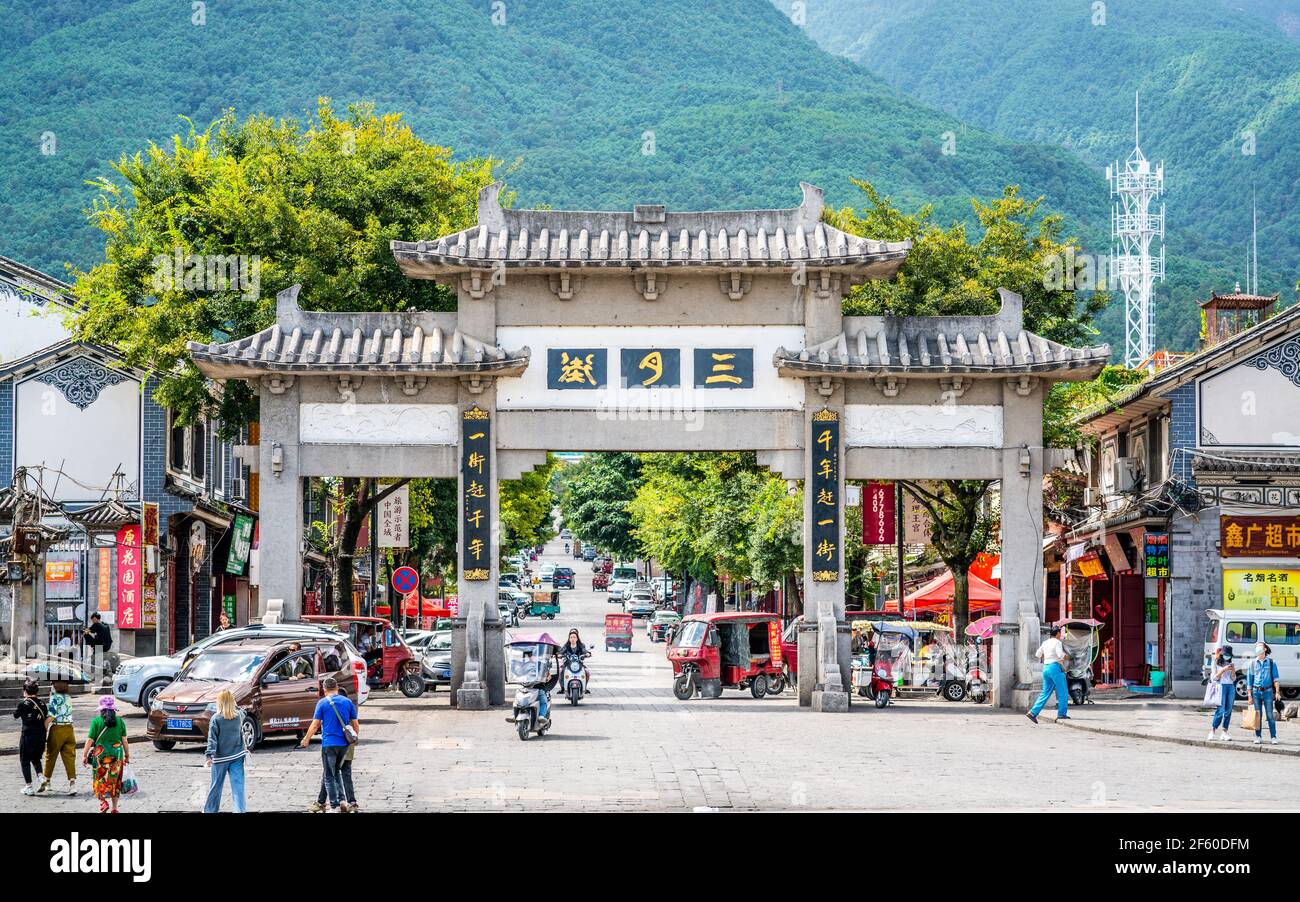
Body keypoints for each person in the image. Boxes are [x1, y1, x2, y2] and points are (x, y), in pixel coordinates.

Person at [298, 677, 359, 813]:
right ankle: (342, 801)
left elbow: (315, 725)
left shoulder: (322, 703)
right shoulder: (347, 702)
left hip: (329, 744)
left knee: (329, 776)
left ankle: (334, 805)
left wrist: (306, 739)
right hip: (344, 745)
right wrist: (353, 739)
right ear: (337, 688)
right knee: (336, 772)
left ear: (324, 689)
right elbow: (355, 724)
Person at [203, 689, 249, 813]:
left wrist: (209, 756)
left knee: (216, 786)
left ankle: (210, 810)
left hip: (220, 759)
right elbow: (243, 711)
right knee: (238, 787)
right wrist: (235, 706)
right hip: (237, 756)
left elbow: (212, 739)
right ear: (232, 702)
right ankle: (239, 811)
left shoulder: (216, 719)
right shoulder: (239, 716)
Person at [81, 696, 129, 813]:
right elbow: (124, 740)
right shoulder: (120, 721)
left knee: (99, 778)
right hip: (117, 753)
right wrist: (127, 755)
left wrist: (84, 754)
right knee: (115, 780)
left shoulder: (96, 721)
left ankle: (103, 802)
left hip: (100, 754)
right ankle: (115, 808)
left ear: (101, 709)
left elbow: (90, 740)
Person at [38, 680, 77, 795]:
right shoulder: (68, 697)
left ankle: (47, 781)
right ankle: (72, 784)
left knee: (51, 755)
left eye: (52, 684)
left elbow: (52, 715)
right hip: (69, 729)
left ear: (56, 686)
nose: (51, 686)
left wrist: (45, 725)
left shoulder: (54, 698)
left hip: (57, 729)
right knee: (69, 757)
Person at [1027, 625, 1070, 724]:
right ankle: (1062, 714)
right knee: (1062, 691)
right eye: (1060, 633)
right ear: (1058, 633)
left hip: (1046, 668)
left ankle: (1033, 712)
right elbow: (1060, 655)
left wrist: (1047, 656)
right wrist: (1067, 657)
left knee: (1045, 692)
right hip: (1055, 667)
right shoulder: (1057, 642)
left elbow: (1037, 654)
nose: (1060, 634)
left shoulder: (1045, 642)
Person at [13, 679, 47, 796]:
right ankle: (41, 777)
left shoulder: (23, 704)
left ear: (25, 691)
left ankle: (29, 787)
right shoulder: (42, 703)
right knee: (36, 758)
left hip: (28, 736)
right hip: (41, 736)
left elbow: (15, 715)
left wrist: (24, 702)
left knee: (25, 761)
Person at [1247, 642, 1280, 745]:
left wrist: (1277, 692)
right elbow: (1249, 681)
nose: (1258, 648)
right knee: (1258, 715)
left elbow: (1276, 679)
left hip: (1268, 691)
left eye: (1260, 646)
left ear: (1265, 649)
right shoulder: (1252, 663)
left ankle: (1273, 737)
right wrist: (1249, 695)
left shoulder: (1271, 663)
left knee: (1270, 715)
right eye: (1257, 646)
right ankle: (1258, 736)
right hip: (1256, 692)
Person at [1207, 646, 1236, 741]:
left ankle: (1224, 732)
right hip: (1220, 686)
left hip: (1230, 687)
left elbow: (1233, 679)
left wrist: (1233, 670)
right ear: (1222, 654)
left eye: (1229, 655)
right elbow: (1214, 678)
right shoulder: (1216, 662)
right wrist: (1223, 670)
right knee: (1221, 710)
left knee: (1228, 710)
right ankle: (1212, 730)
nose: (1227, 657)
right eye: (1226, 655)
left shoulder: (1230, 663)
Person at [83, 612, 112, 686]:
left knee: (95, 662)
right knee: (100, 662)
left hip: (99, 646)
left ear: (95, 618)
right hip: (107, 646)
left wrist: (84, 632)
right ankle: (100, 676)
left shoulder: (96, 624)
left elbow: (88, 630)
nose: (92, 622)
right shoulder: (106, 625)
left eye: (93, 620)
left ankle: (97, 678)